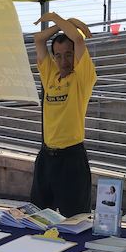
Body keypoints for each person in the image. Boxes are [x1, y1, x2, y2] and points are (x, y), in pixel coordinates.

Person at [30, 12, 97, 216]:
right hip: (46, 156)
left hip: (71, 158)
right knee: (37, 216)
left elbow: (78, 39)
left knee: (75, 219)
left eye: (68, 54)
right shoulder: (50, 75)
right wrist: (67, 23)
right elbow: (38, 39)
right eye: (58, 55)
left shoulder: (82, 78)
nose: (63, 60)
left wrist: (55, 17)